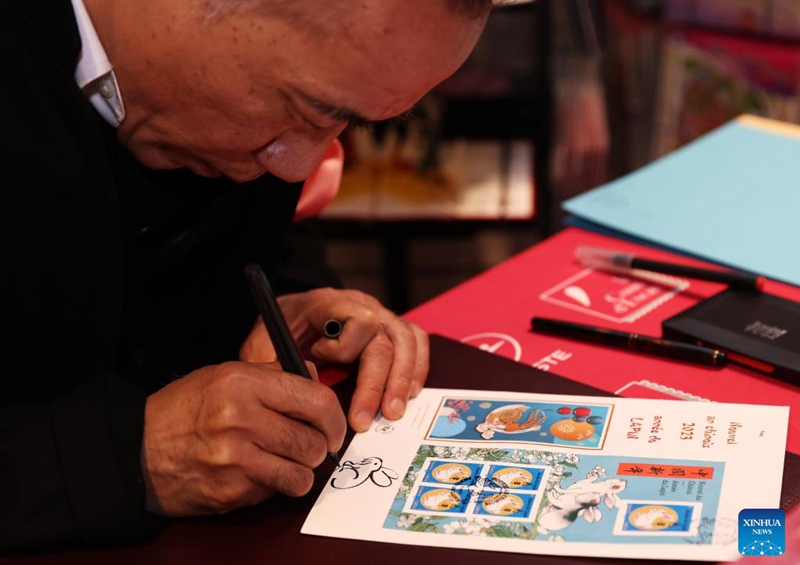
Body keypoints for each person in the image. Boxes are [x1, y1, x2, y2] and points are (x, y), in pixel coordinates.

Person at [0, 0, 491, 553]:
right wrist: (126, 456)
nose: (297, 167)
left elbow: (251, 238)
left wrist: (284, 301)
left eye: (344, 124)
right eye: (307, 109)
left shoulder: (242, 115)